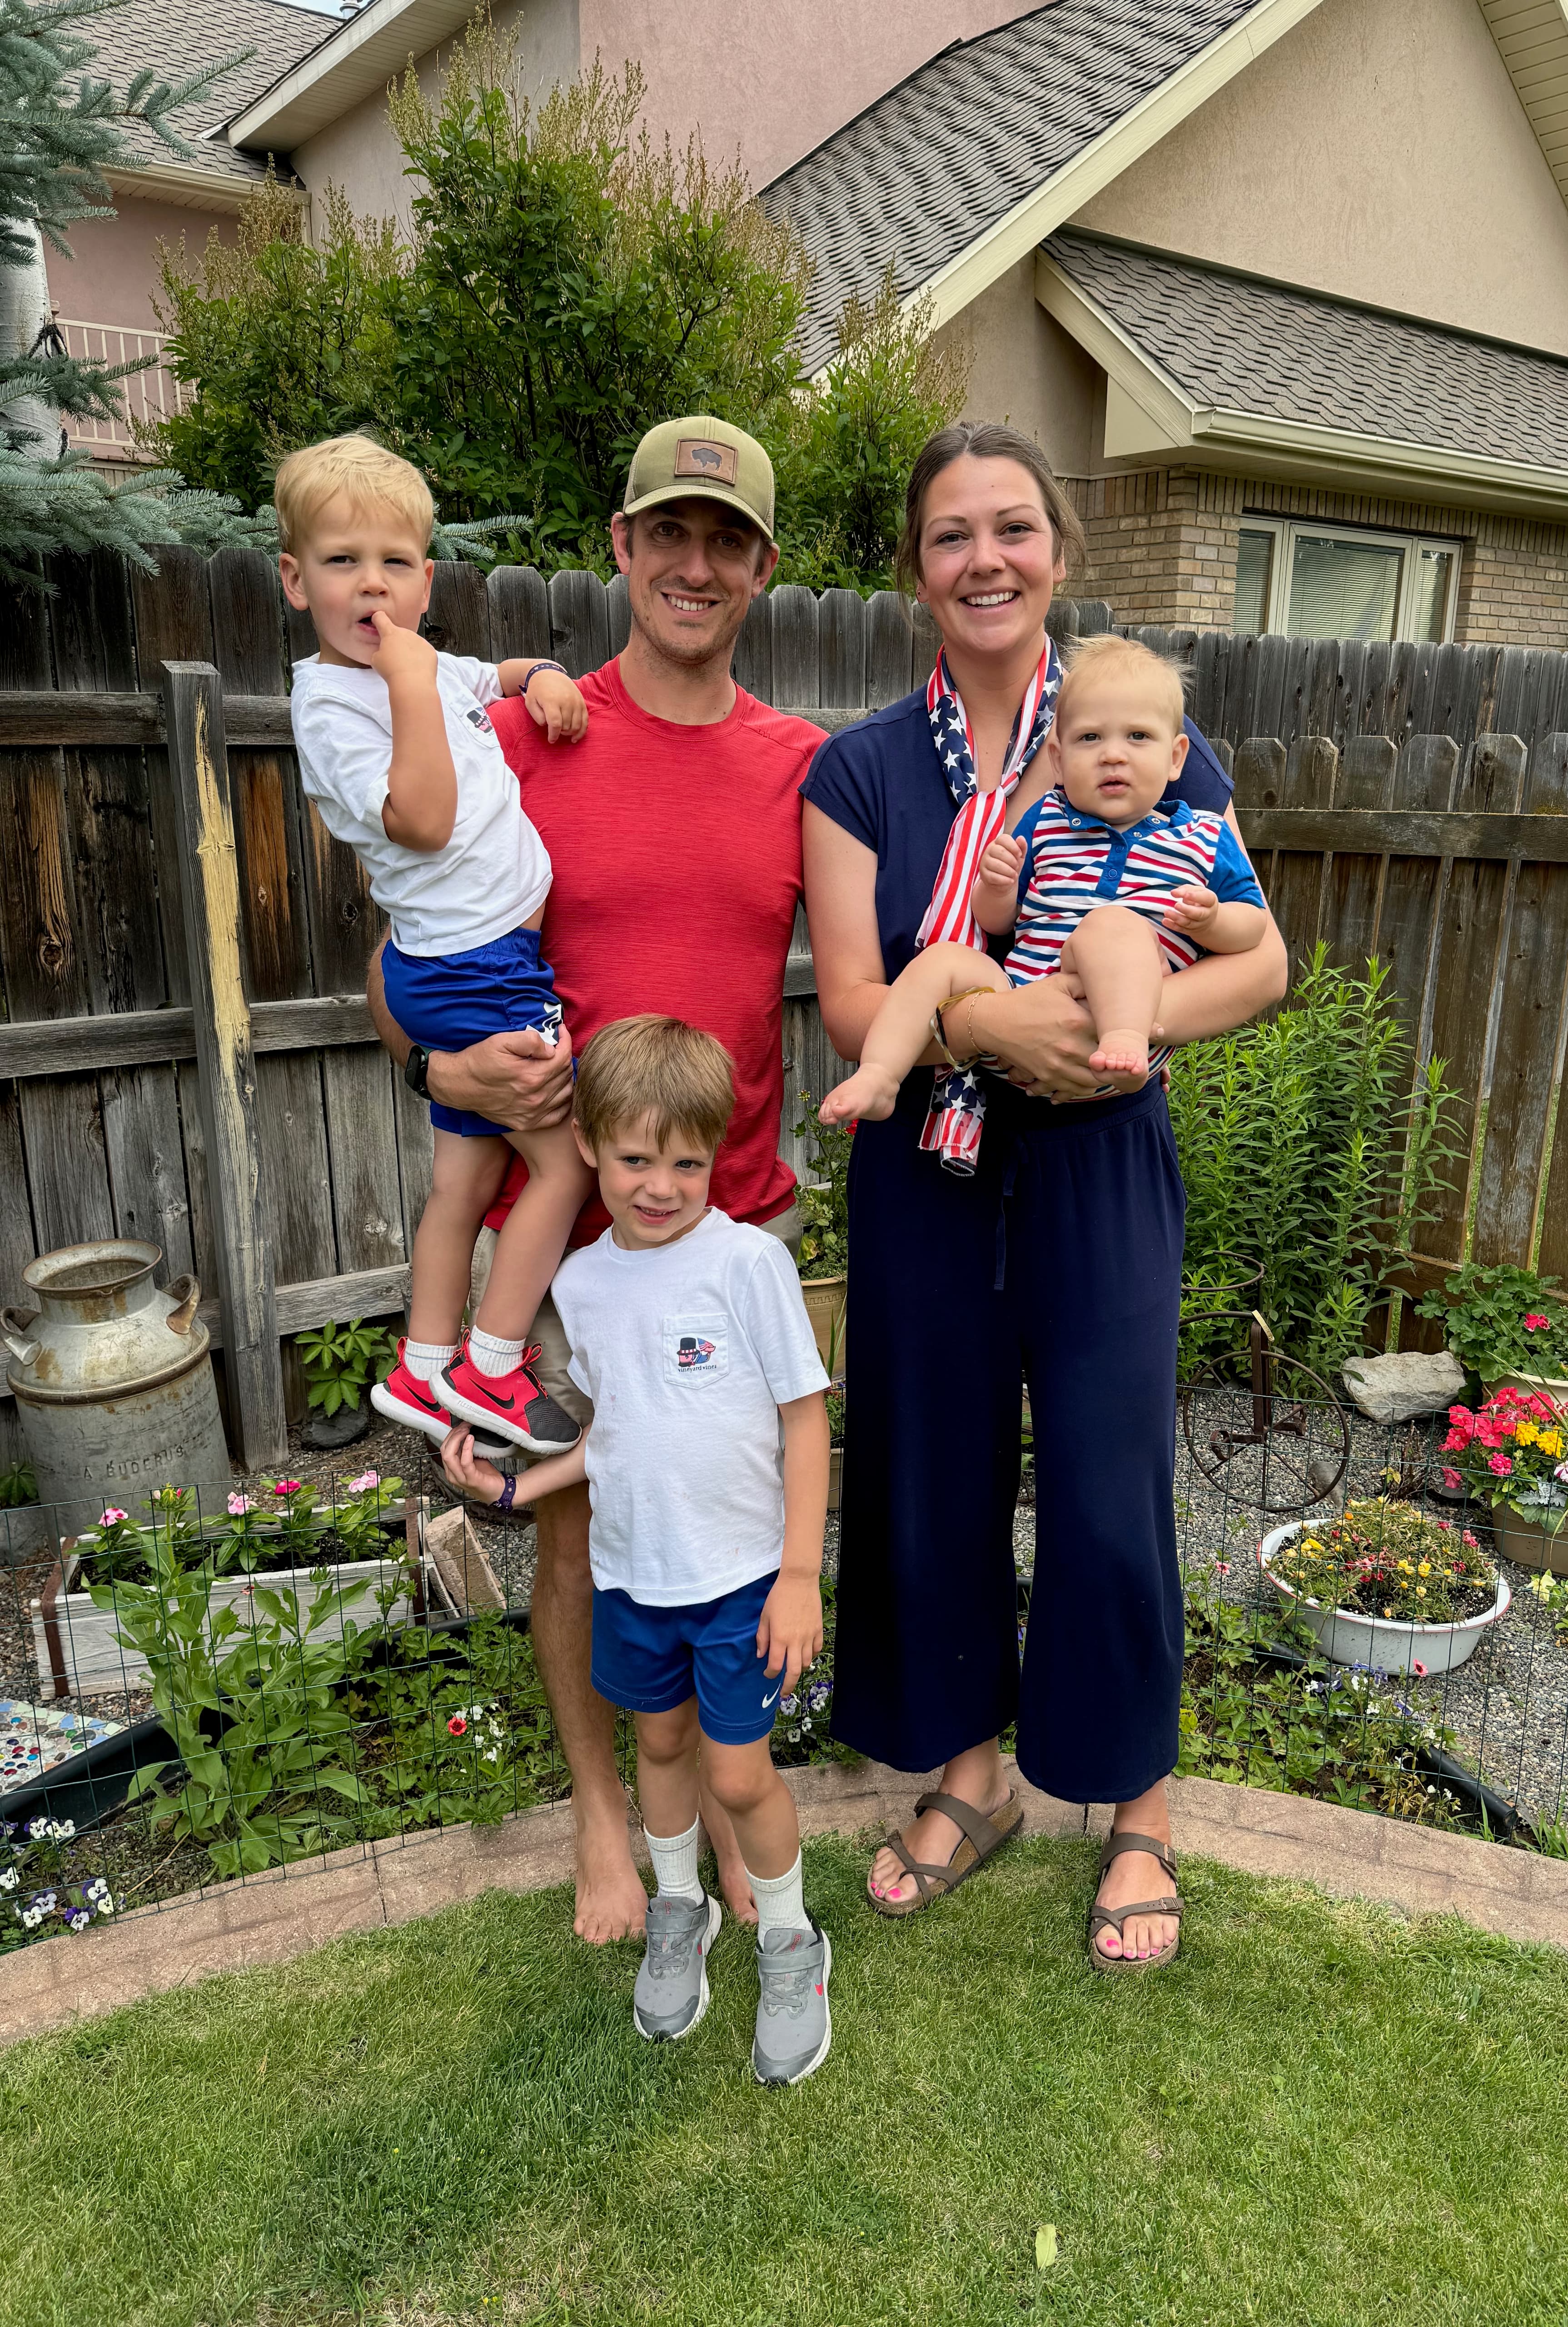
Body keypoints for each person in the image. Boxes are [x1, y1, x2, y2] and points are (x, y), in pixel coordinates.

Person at [802, 421, 1288, 1970]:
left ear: (1058, 555)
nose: (987, 557)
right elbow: (849, 1003)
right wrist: (988, 1021)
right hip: (931, 1158)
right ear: (916, 572)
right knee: (933, 1471)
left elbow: (1260, 961)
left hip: (1101, 1162)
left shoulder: (1144, 728)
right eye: (952, 534)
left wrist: (1109, 1053)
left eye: (1014, 526)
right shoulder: (861, 768)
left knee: (1105, 1476)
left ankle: (1137, 1806)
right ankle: (968, 1778)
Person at [365, 417, 824, 1943]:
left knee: (723, 1532)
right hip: (556, 1234)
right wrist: (437, 1071)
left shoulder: (803, 771)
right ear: (622, 546)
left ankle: (718, 1803)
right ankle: (604, 1821)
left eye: (728, 542)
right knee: (580, 1533)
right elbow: (400, 961)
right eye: (669, 535)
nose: (697, 566)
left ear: (762, 568)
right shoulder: (520, 738)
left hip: (738, 1218)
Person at [440, 1015, 834, 2084]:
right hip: (632, 1577)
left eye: (686, 1161)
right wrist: (516, 1485)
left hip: (742, 1582)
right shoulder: (582, 1284)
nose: (660, 1184)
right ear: (590, 1149)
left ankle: (793, 1940)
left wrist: (798, 1576)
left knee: (740, 1776)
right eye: (633, 1158)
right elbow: (610, 1433)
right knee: (657, 1750)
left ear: (715, 1154)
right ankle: (679, 1911)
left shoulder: (748, 1263)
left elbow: (805, 1422)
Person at [279, 435, 590, 1459]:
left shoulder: (425, 664)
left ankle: (419, 1366)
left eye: (396, 563)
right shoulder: (332, 705)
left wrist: (536, 670)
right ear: (295, 581)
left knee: (462, 1184)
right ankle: (491, 1366)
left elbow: (481, 674)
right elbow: (419, 817)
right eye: (342, 561)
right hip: (478, 971)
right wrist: (410, 675)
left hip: (467, 965)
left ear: (425, 577)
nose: (372, 584)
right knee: (566, 1167)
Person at [819, 633, 1266, 1167]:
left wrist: (1214, 922)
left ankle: (1120, 1034)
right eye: (1091, 739)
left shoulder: (1202, 837)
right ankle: (880, 1074)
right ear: (1058, 757)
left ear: (1176, 758)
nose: (1114, 754)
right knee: (940, 961)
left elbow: (1254, 930)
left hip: (1114, 1047)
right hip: (1017, 1003)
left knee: (1114, 928)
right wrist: (997, 887)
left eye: (1138, 737)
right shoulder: (1048, 823)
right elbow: (996, 921)